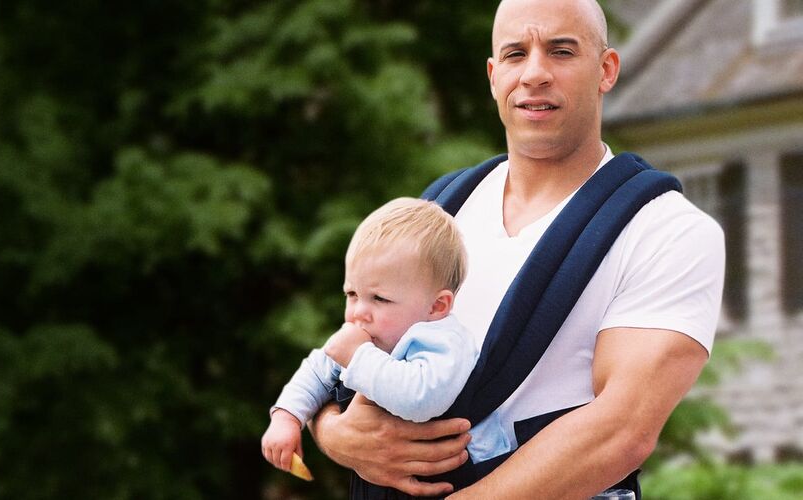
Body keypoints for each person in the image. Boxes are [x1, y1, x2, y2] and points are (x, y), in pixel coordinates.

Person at [307, 0, 725, 498]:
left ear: (606, 69)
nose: (534, 74)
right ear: (492, 75)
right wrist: (331, 431)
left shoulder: (666, 230)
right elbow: (351, 349)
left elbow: (620, 429)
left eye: (561, 51)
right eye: (514, 54)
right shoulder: (441, 208)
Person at [260, 198, 509, 478]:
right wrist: (287, 417)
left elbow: (421, 399)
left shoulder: (445, 341)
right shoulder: (366, 341)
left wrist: (358, 357)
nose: (359, 312)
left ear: (436, 306)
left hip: (471, 474)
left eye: (379, 298)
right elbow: (316, 372)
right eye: (352, 294)